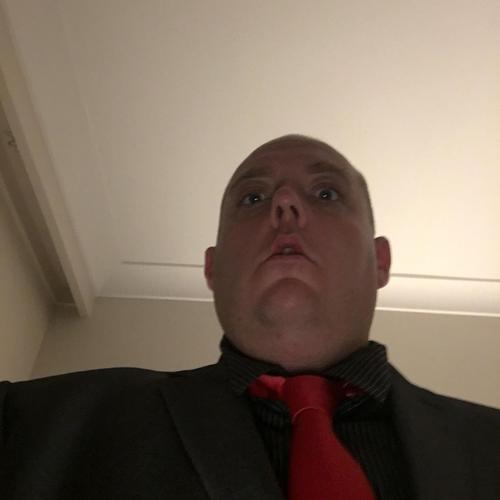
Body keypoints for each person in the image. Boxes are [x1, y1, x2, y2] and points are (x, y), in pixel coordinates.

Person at [1, 135, 499, 499]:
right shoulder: (32, 425)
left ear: (381, 261)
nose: (284, 203)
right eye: (253, 198)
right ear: (213, 268)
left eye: (326, 193)